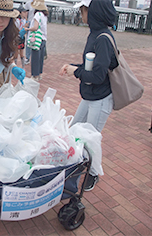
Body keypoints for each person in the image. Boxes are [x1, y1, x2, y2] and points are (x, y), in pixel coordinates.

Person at [59, 0, 118, 191]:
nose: (82, 14)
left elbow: (98, 75)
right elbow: (90, 66)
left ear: (94, 12)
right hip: (90, 95)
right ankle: (74, 165)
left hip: (100, 98)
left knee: (91, 138)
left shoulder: (102, 38)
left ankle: (93, 173)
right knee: (74, 129)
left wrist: (74, 72)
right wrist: (74, 66)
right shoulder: (94, 34)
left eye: (84, 10)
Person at [23, 0, 48, 81]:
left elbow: (35, 27)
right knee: (40, 58)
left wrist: (27, 29)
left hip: (36, 38)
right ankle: (39, 74)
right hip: (43, 38)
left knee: (35, 58)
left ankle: (35, 75)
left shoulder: (37, 14)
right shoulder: (44, 15)